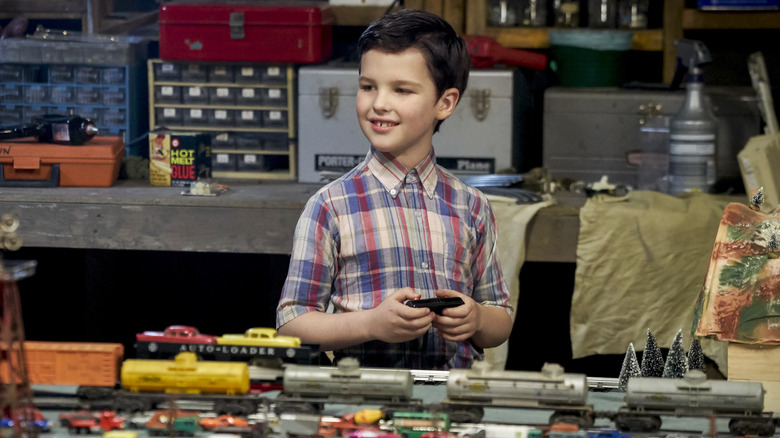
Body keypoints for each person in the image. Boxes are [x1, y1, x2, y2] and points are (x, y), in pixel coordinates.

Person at [275, 9, 513, 369]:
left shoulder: (472, 205)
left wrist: (477, 318)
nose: (379, 103)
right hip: (363, 404)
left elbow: (500, 317)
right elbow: (291, 325)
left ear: (445, 103)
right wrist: (372, 323)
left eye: (401, 90)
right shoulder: (330, 205)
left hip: (454, 405)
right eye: (368, 86)